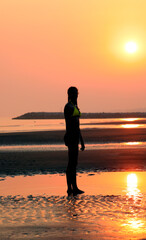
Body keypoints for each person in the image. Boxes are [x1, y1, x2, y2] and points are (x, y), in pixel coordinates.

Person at [64, 86, 85, 196]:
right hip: (71, 137)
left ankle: (74, 187)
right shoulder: (68, 107)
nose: (77, 95)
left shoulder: (74, 106)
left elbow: (78, 125)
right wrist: (71, 138)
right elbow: (70, 125)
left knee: (74, 163)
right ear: (70, 94)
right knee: (71, 163)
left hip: (76, 137)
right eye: (75, 93)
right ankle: (70, 188)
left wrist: (81, 140)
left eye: (77, 93)